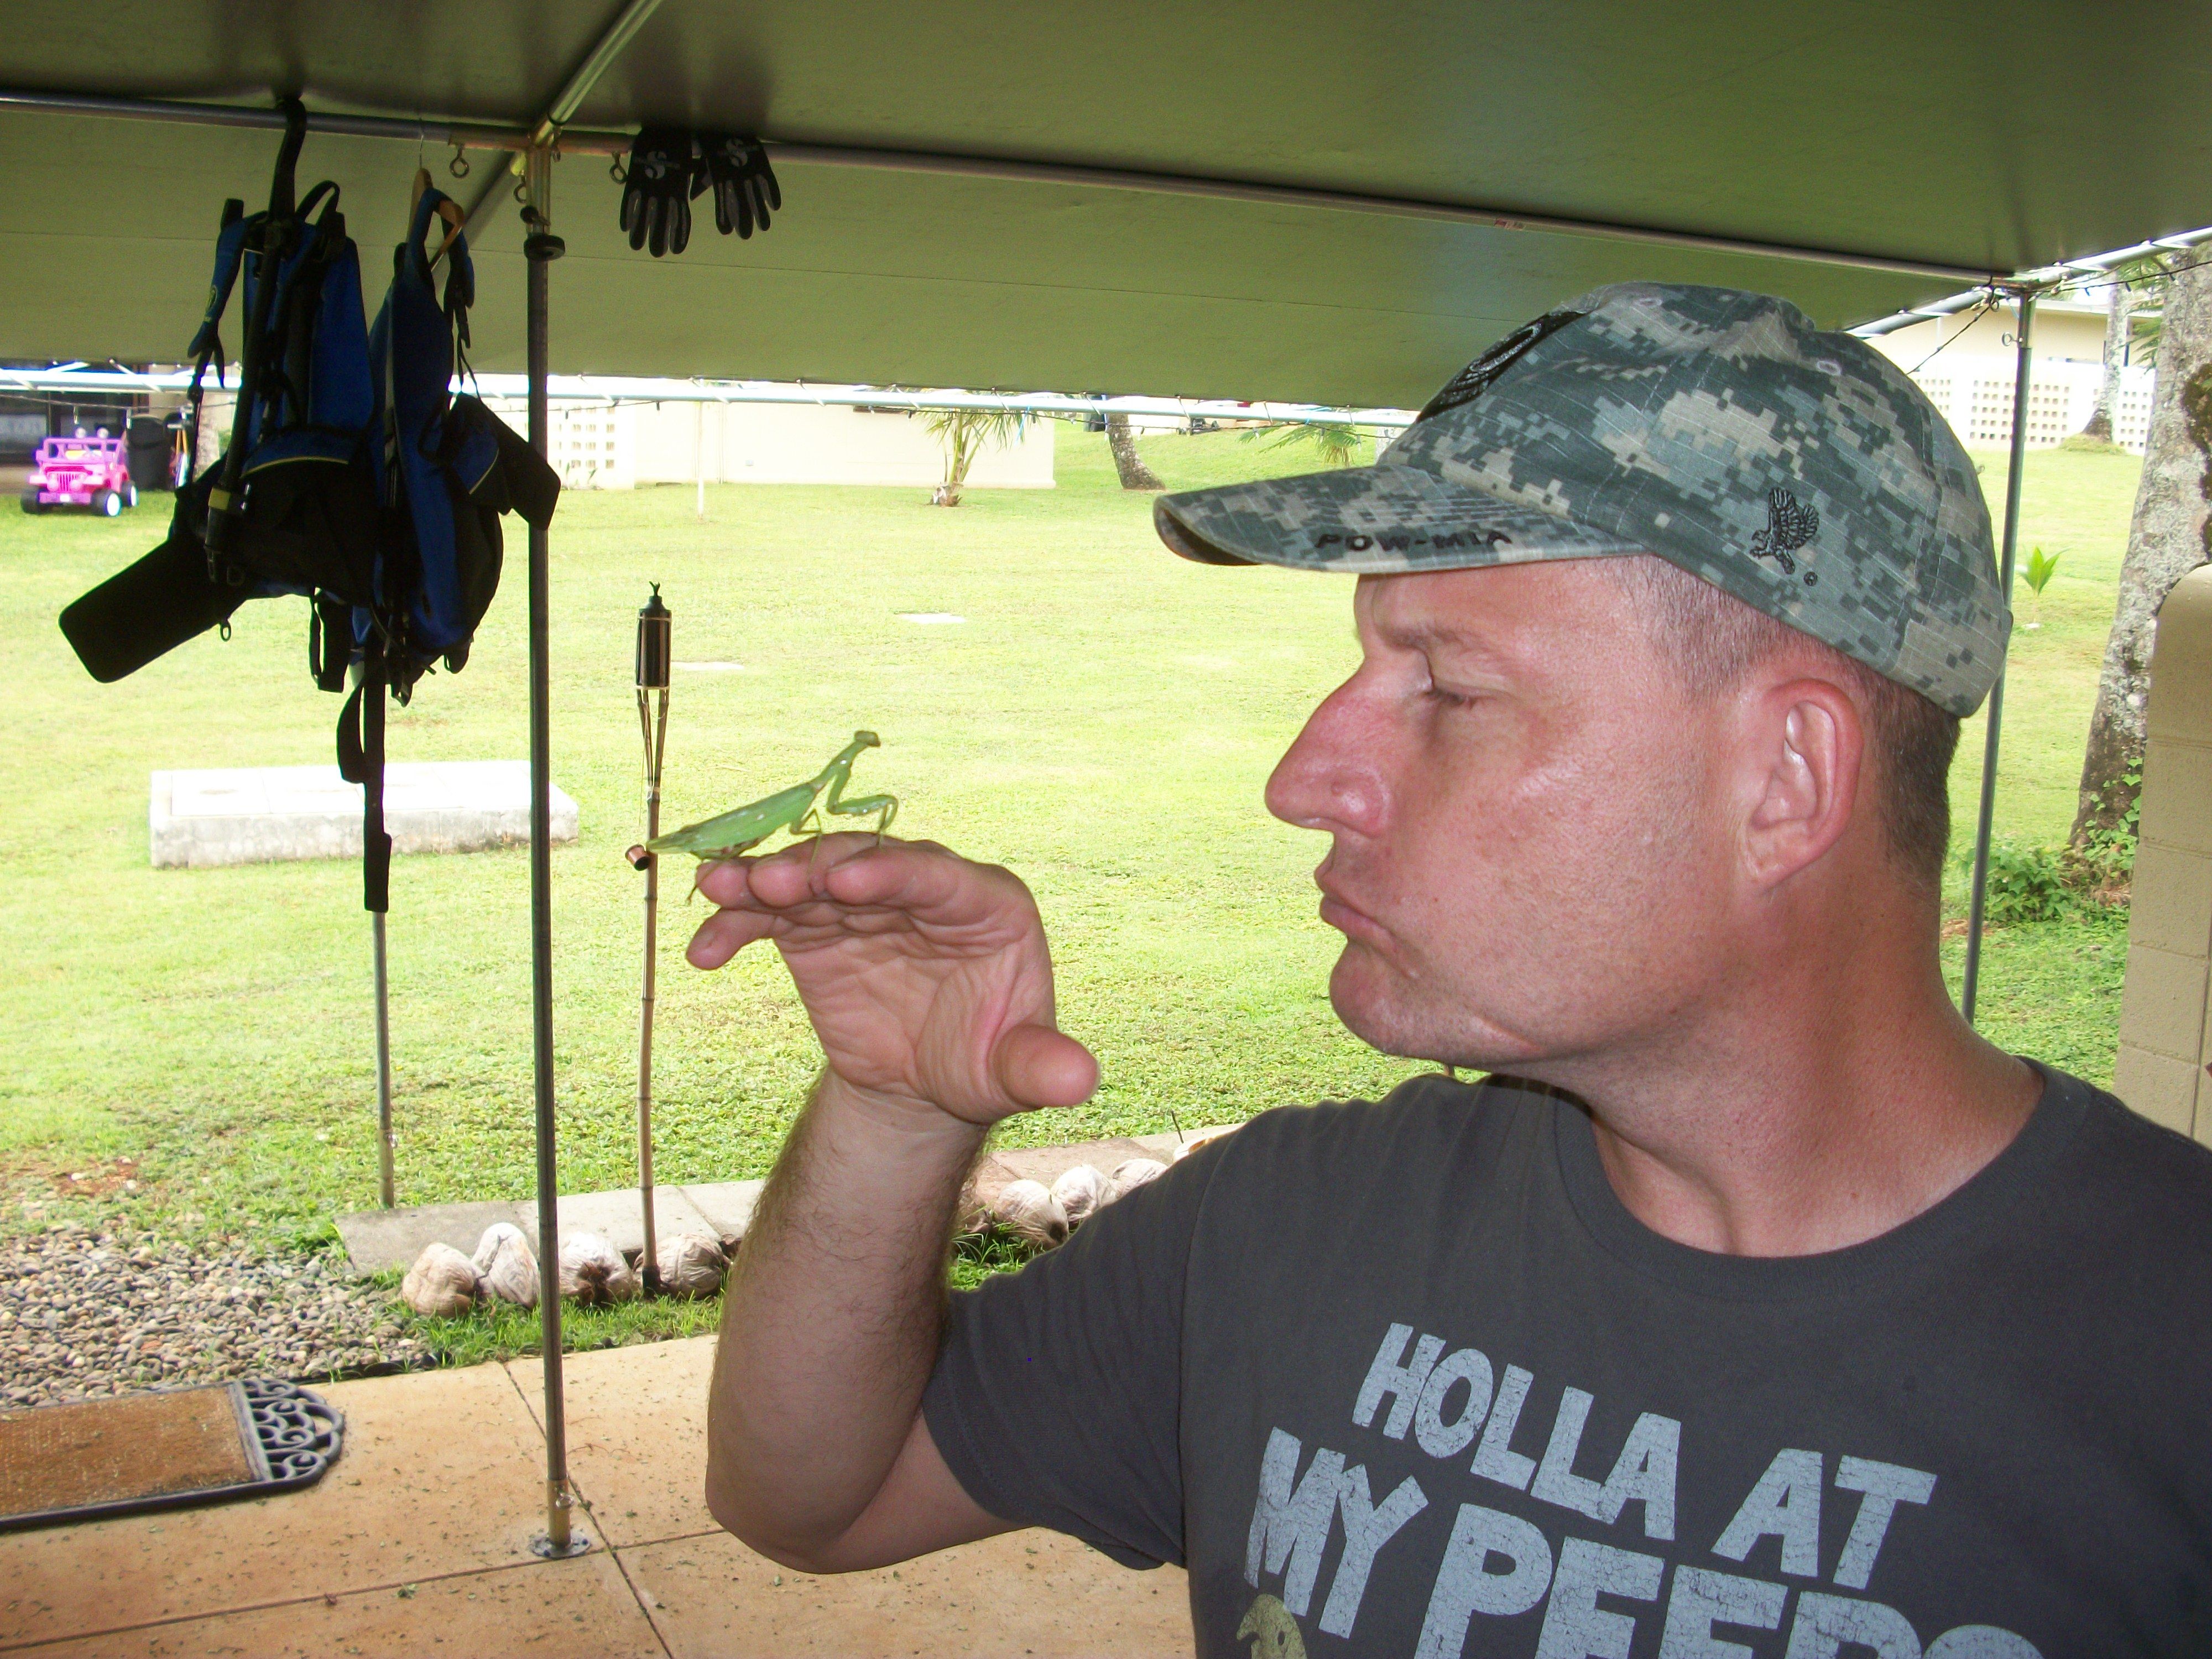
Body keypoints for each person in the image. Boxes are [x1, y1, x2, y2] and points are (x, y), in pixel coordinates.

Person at [692, 284, 2212, 1656]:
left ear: (1787, 781)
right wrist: (895, 1113)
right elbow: (812, 1501)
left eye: (1449, 688)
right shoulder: (1286, 1229)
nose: (1304, 778)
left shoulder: (2170, 1350)